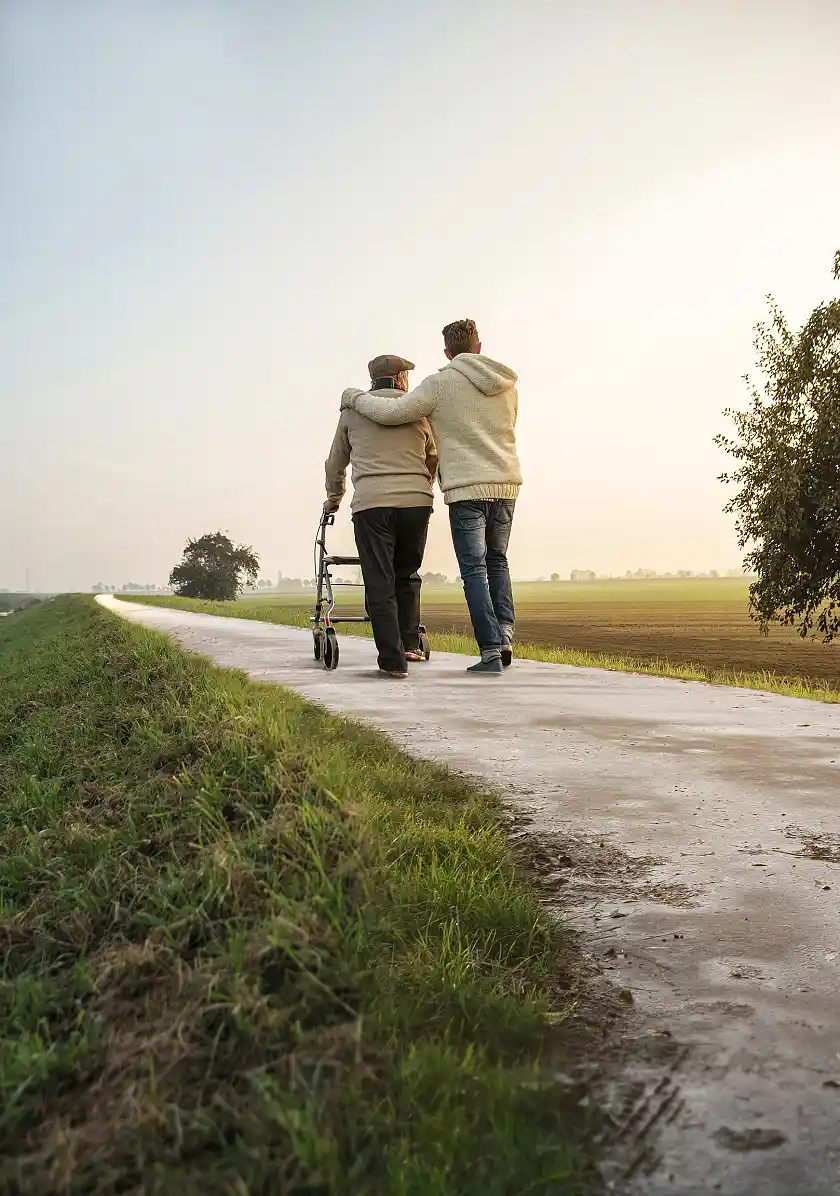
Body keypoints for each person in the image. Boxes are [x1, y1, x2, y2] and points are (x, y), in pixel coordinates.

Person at [341, 319, 521, 675]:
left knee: (474, 569)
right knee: (498, 561)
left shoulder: (439, 384)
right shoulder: (508, 386)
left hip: (467, 489)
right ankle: (504, 634)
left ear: (447, 352)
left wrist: (354, 398)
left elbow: (391, 413)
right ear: (479, 347)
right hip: (506, 484)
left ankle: (490, 651)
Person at [324, 354, 438, 679]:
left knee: (380, 581)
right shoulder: (418, 410)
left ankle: (392, 660)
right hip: (416, 503)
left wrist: (334, 499)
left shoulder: (352, 412)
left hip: (372, 504)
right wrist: (422, 484)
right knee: (407, 573)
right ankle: (410, 645)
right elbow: (433, 456)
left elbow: (335, 463)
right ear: (401, 379)